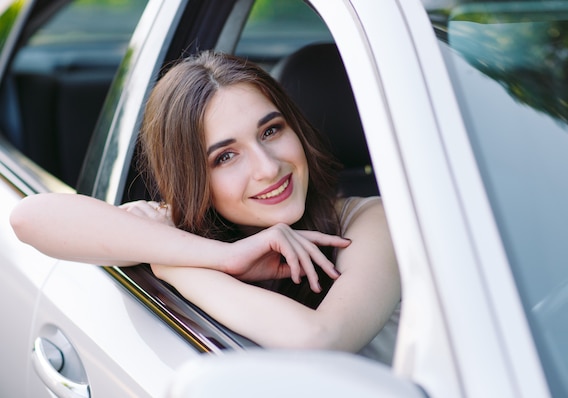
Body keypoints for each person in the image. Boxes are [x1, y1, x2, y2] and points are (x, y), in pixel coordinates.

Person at [10, 51, 401, 365]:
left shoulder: (372, 220)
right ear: (193, 179)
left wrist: (173, 265)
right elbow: (29, 217)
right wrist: (225, 256)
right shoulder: (180, 227)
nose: (268, 168)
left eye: (271, 130)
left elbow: (321, 339)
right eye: (226, 157)